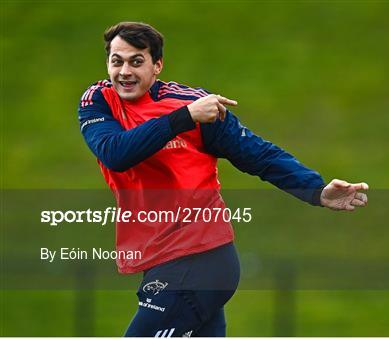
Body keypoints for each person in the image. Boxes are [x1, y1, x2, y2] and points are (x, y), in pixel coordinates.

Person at [78, 21, 368, 337]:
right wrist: (184, 118)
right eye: (116, 61)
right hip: (161, 259)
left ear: (157, 65)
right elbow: (115, 153)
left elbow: (257, 153)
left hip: (200, 258)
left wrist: (316, 189)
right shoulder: (100, 101)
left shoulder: (193, 104)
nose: (125, 71)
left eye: (136, 61)